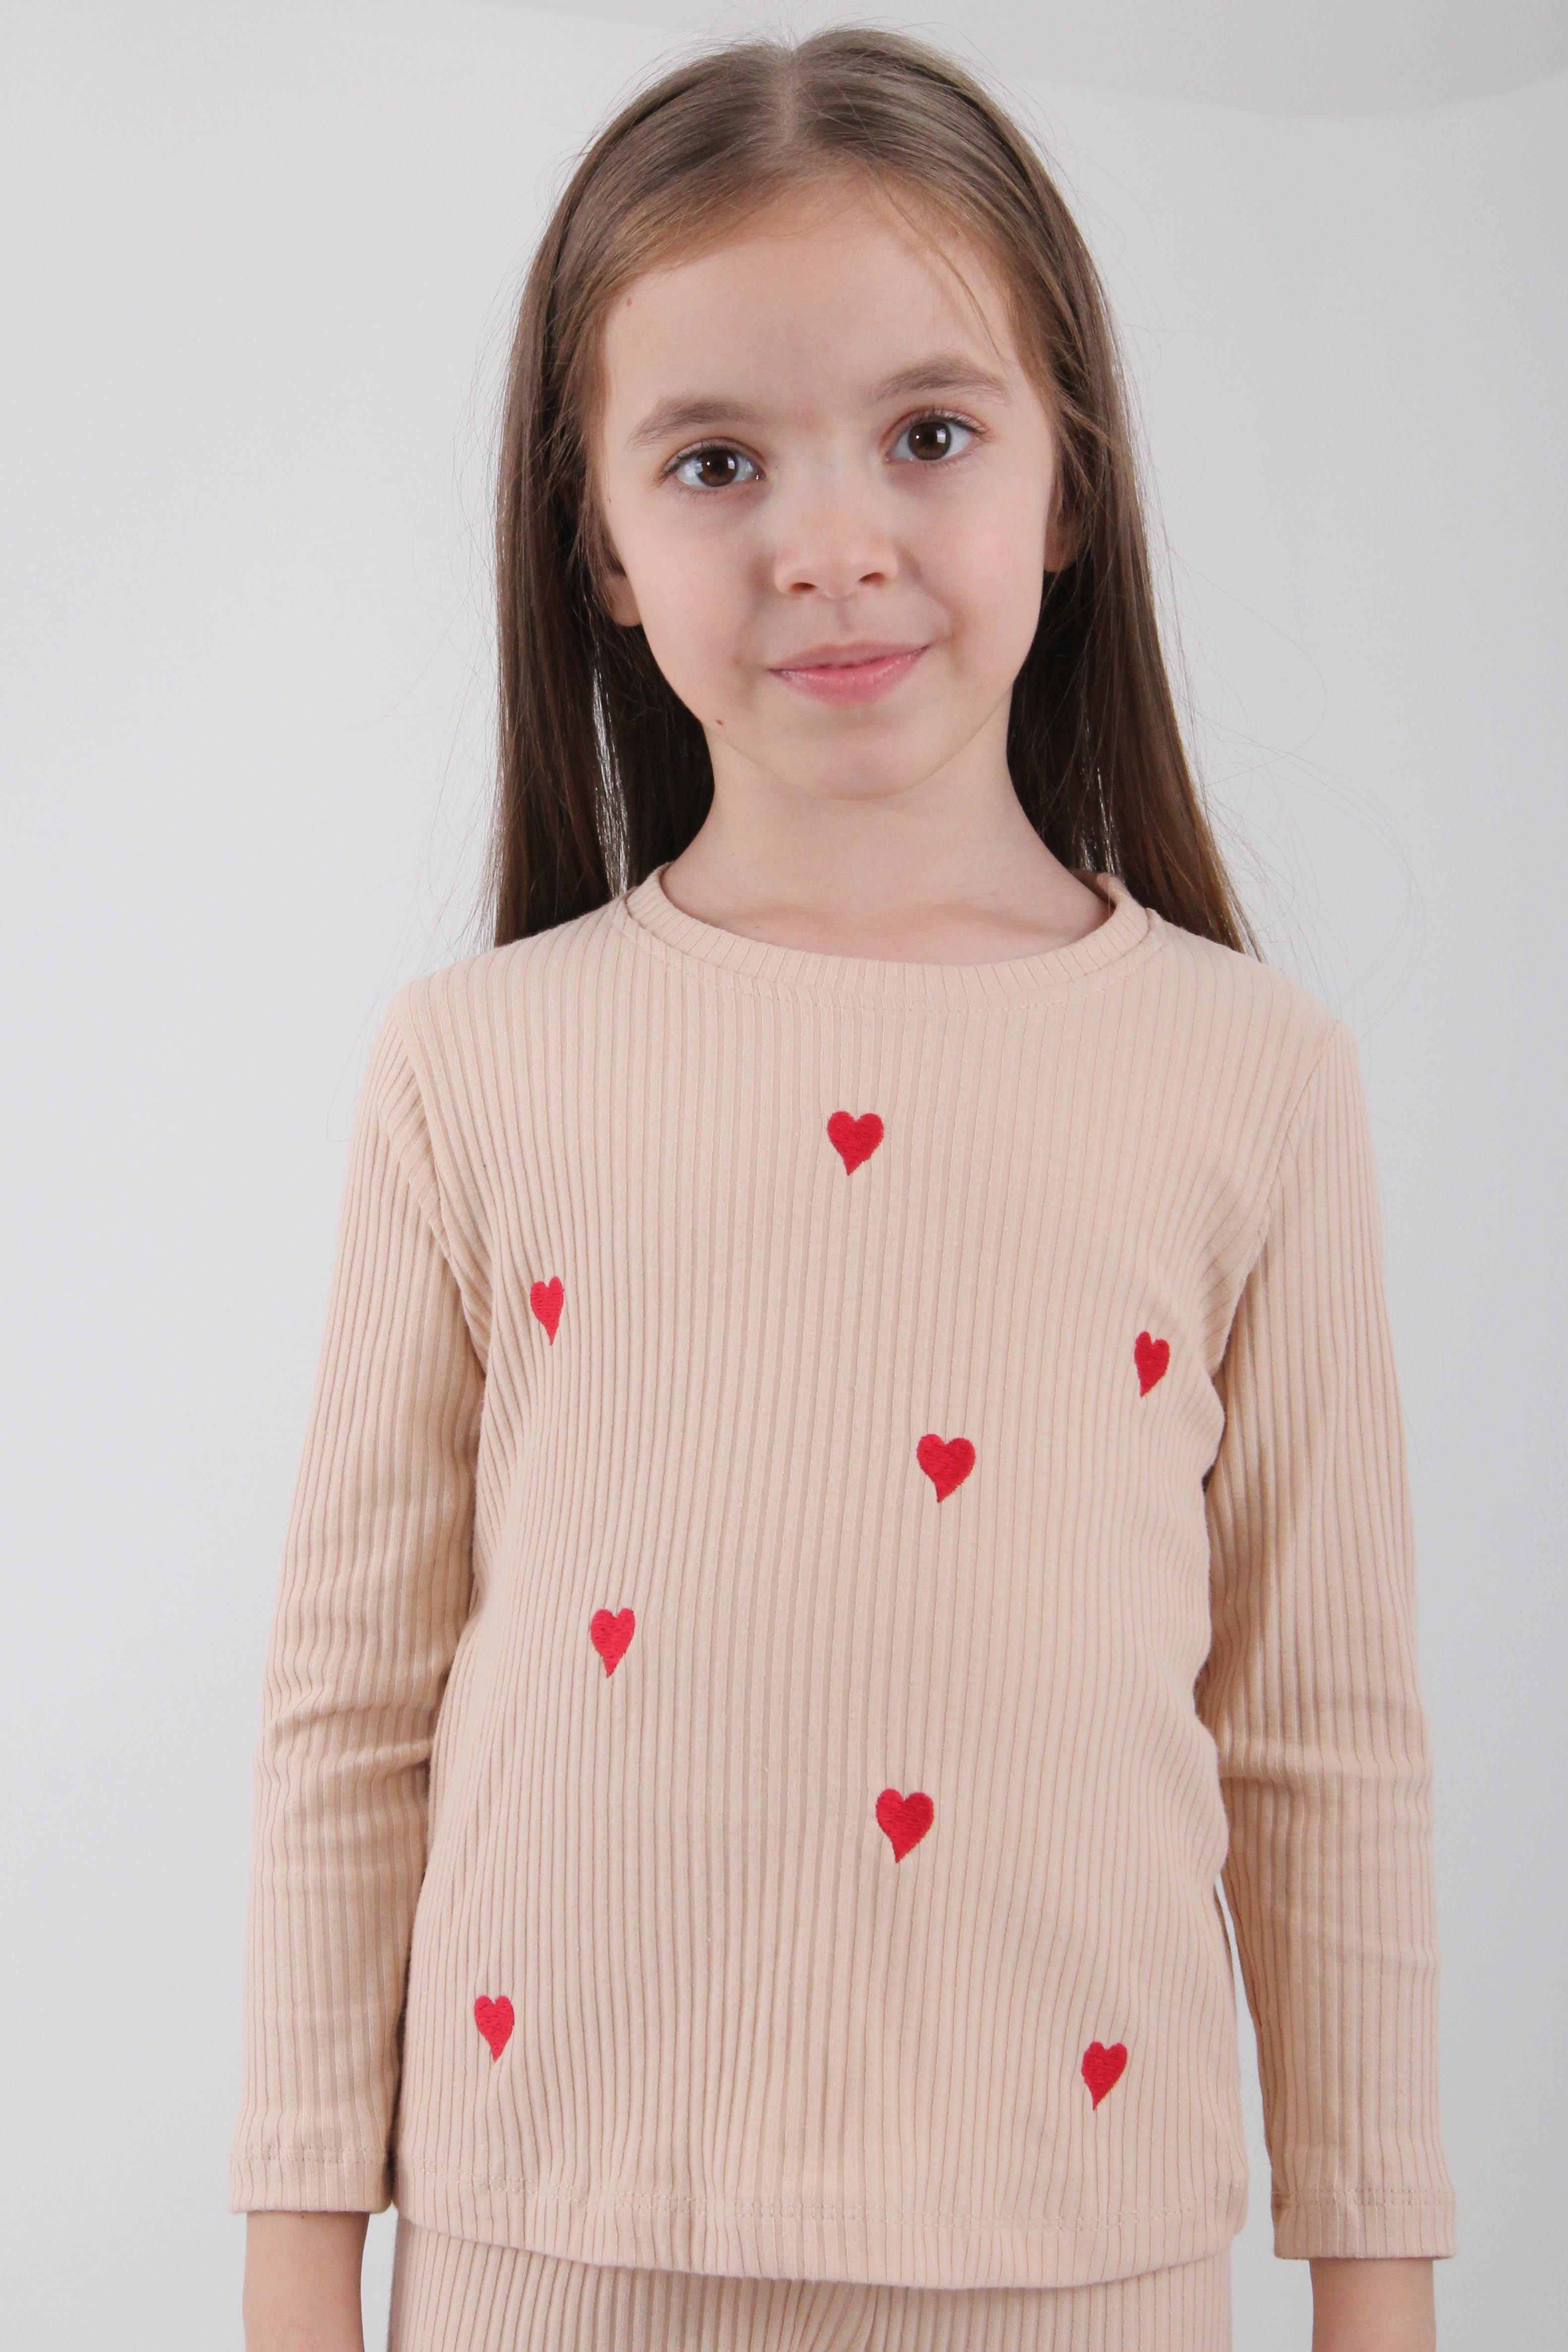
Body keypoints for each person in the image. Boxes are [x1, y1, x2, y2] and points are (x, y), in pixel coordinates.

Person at [229, 27, 1455, 2352]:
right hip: (547, 2255)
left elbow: (1322, 1740)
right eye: (714, 461)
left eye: (927, 433)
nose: (830, 544)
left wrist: (1370, 2294)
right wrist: (301, 2275)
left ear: (1066, 478)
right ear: (599, 543)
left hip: (1077, 2265)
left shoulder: (1251, 1079)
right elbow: (348, 1710)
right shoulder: (474, 1068)